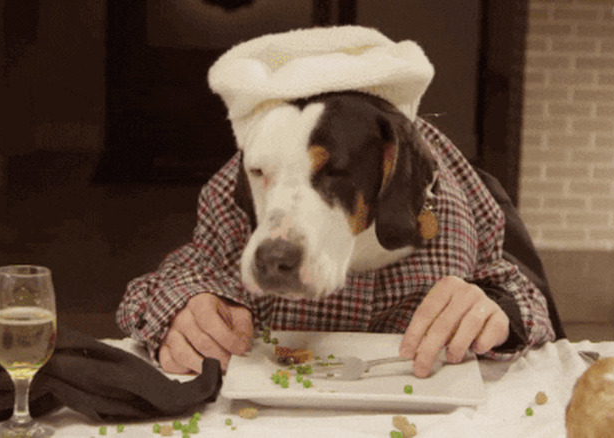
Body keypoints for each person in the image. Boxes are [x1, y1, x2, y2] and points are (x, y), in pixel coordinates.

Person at [115, 26, 556, 378]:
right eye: (262, 174)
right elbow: (166, 281)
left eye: (333, 174)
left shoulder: (437, 178)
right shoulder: (239, 177)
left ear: (390, 167)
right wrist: (181, 307)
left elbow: (531, 303)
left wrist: (498, 307)